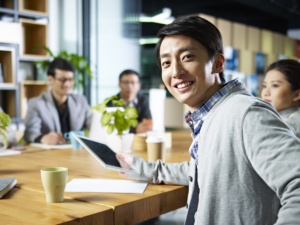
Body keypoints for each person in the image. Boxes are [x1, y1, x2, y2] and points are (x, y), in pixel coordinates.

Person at [115, 15, 300, 225]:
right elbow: (205, 170)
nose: (175, 71)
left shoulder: (247, 113)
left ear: (218, 63)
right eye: (166, 63)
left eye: (187, 57)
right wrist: (140, 167)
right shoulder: (210, 116)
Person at [24, 58, 92, 145]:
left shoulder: (81, 101)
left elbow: (94, 124)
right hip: (49, 154)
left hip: (75, 152)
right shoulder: (36, 104)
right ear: (50, 79)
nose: (67, 84)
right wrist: (43, 138)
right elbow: (29, 133)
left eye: (70, 80)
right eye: (62, 80)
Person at [261, 59, 300, 138]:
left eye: (275, 85)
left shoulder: (288, 127)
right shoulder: (274, 119)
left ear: (297, 95)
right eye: (264, 86)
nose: (266, 93)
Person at [107, 69, 152, 134]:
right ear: (119, 84)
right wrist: (135, 129)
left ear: (139, 85)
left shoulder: (143, 100)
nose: (129, 86)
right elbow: (111, 127)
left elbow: (147, 124)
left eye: (133, 83)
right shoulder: (111, 102)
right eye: (126, 82)